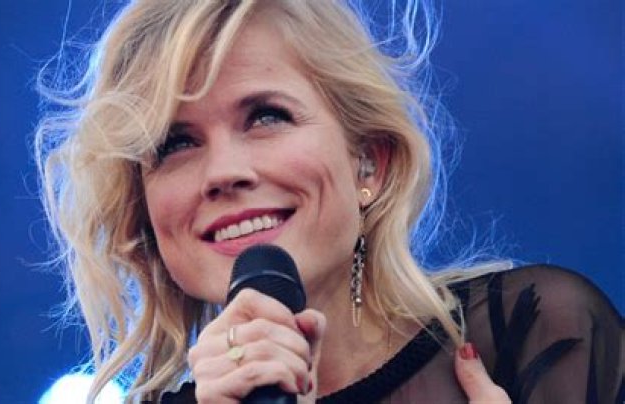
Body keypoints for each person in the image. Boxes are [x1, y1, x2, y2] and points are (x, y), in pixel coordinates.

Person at [34, 1, 623, 403]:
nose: (223, 172)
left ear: (370, 161)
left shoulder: (538, 332)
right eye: (175, 143)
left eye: (266, 116)